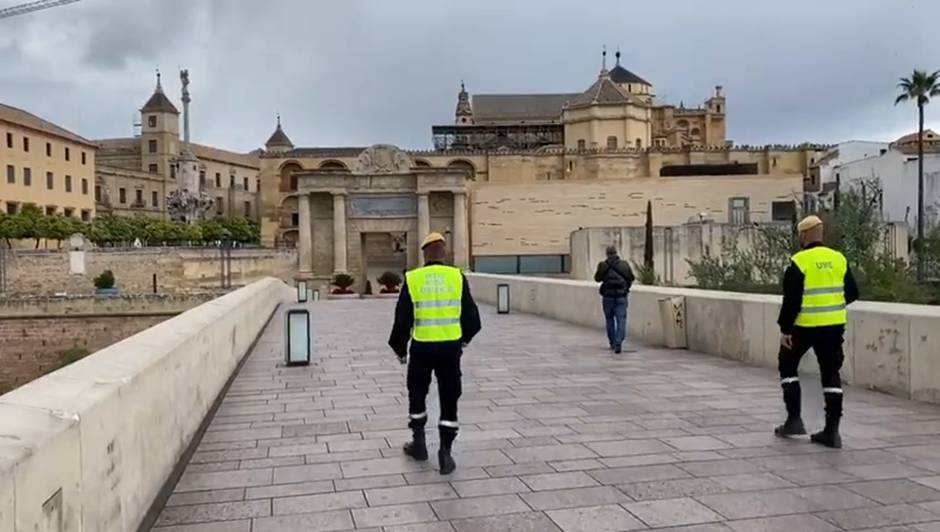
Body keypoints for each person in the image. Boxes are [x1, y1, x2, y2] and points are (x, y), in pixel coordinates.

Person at [388, 232, 481, 474]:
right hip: (450, 348)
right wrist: (464, 340)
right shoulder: (457, 276)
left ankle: (419, 443)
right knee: (449, 396)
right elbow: (472, 317)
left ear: (424, 254)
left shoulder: (413, 278)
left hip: (422, 347)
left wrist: (400, 349)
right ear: (444, 253)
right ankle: (446, 452)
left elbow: (402, 319)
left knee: (417, 393)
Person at [774, 215, 859, 448]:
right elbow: (852, 292)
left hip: (804, 326)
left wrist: (785, 329)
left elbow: (791, 300)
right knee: (831, 373)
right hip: (833, 326)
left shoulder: (799, 261)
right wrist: (832, 305)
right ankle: (832, 431)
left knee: (787, 364)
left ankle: (794, 420)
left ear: (803, 235)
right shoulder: (838, 259)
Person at [594, 246, 635, 353]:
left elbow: (597, 279)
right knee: (621, 319)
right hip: (621, 296)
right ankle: (619, 341)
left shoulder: (603, 265)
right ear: (616, 253)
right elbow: (631, 278)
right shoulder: (624, 264)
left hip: (608, 297)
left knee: (609, 319)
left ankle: (612, 342)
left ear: (607, 254)